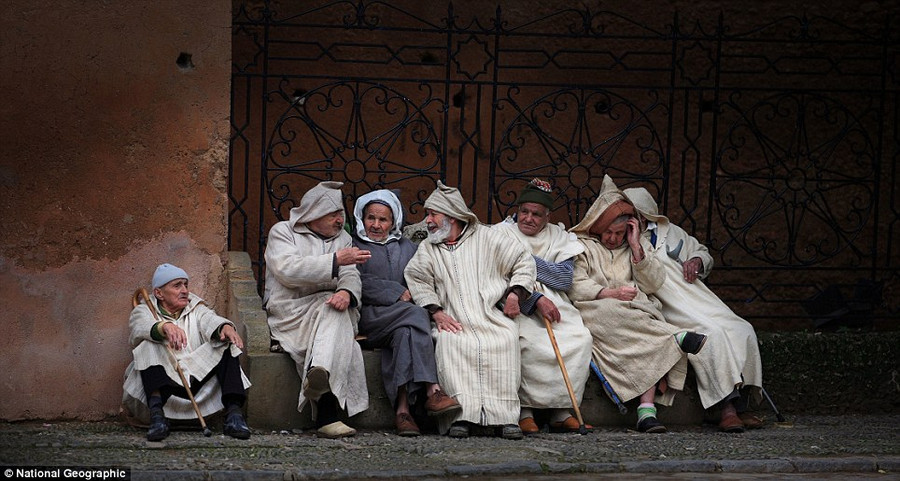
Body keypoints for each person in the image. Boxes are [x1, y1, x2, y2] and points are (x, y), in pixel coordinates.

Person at [568, 175, 708, 433]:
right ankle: (674, 338)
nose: (613, 238)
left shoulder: (637, 245)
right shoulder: (581, 246)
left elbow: (654, 283)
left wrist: (635, 248)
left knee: (644, 329)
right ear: (597, 227)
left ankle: (646, 413)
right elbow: (574, 284)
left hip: (635, 314)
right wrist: (609, 293)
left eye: (619, 233)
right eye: (608, 232)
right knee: (614, 313)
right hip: (596, 308)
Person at [623, 186, 764, 432]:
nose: (630, 219)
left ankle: (743, 404)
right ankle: (726, 410)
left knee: (742, 329)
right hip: (669, 305)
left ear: (645, 213)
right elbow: (640, 280)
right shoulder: (626, 241)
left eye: (634, 213)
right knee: (712, 335)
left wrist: (697, 260)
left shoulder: (671, 231)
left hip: (699, 298)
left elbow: (702, 252)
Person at [403, 181, 536, 439]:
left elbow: (523, 260)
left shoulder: (489, 238)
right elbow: (417, 278)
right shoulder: (428, 249)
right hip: (451, 319)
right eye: (428, 214)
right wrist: (436, 311)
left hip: (490, 317)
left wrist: (515, 293)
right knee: (449, 342)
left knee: (505, 338)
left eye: (433, 214)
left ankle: (505, 417)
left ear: (452, 216)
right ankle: (460, 417)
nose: (427, 221)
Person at [263, 181, 371, 439]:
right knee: (343, 335)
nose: (339, 220)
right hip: (290, 311)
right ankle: (326, 407)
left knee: (334, 308)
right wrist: (335, 260)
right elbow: (287, 270)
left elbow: (350, 275)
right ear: (313, 213)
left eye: (340, 213)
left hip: (328, 309)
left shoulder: (343, 238)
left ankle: (319, 376)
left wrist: (346, 292)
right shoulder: (283, 232)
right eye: (333, 214)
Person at [351, 189, 462, 436]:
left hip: (402, 320)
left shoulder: (408, 248)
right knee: (417, 315)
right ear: (362, 218)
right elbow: (355, 281)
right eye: (371, 218)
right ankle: (432, 389)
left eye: (383, 219)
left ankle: (403, 412)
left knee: (405, 333)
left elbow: (422, 277)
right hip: (371, 318)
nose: (376, 225)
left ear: (394, 222)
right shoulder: (353, 245)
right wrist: (395, 291)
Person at [493, 179, 593, 434]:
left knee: (579, 338)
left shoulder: (559, 237)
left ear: (547, 217)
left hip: (556, 302)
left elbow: (563, 278)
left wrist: (522, 260)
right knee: (526, 341)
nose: (528, 218)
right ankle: (524, 412)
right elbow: (496, 276)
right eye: (524, 211)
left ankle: (560, 411)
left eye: (536, 214)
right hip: (514, 300)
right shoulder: (500, 234)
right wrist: (533, 298)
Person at [122, 263, 252, 441]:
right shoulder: (143, 310)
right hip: (165, 388)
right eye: (177, 286)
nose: (184, 290)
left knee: (225, 343)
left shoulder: (196, 308)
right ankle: (157, 418)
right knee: (147, 345)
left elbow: (209, 319)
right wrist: (163, 327)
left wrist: (224, 327)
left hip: (195, 381)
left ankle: (234, 416)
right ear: (159, 293)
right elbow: (139, 327)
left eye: (185, 284)